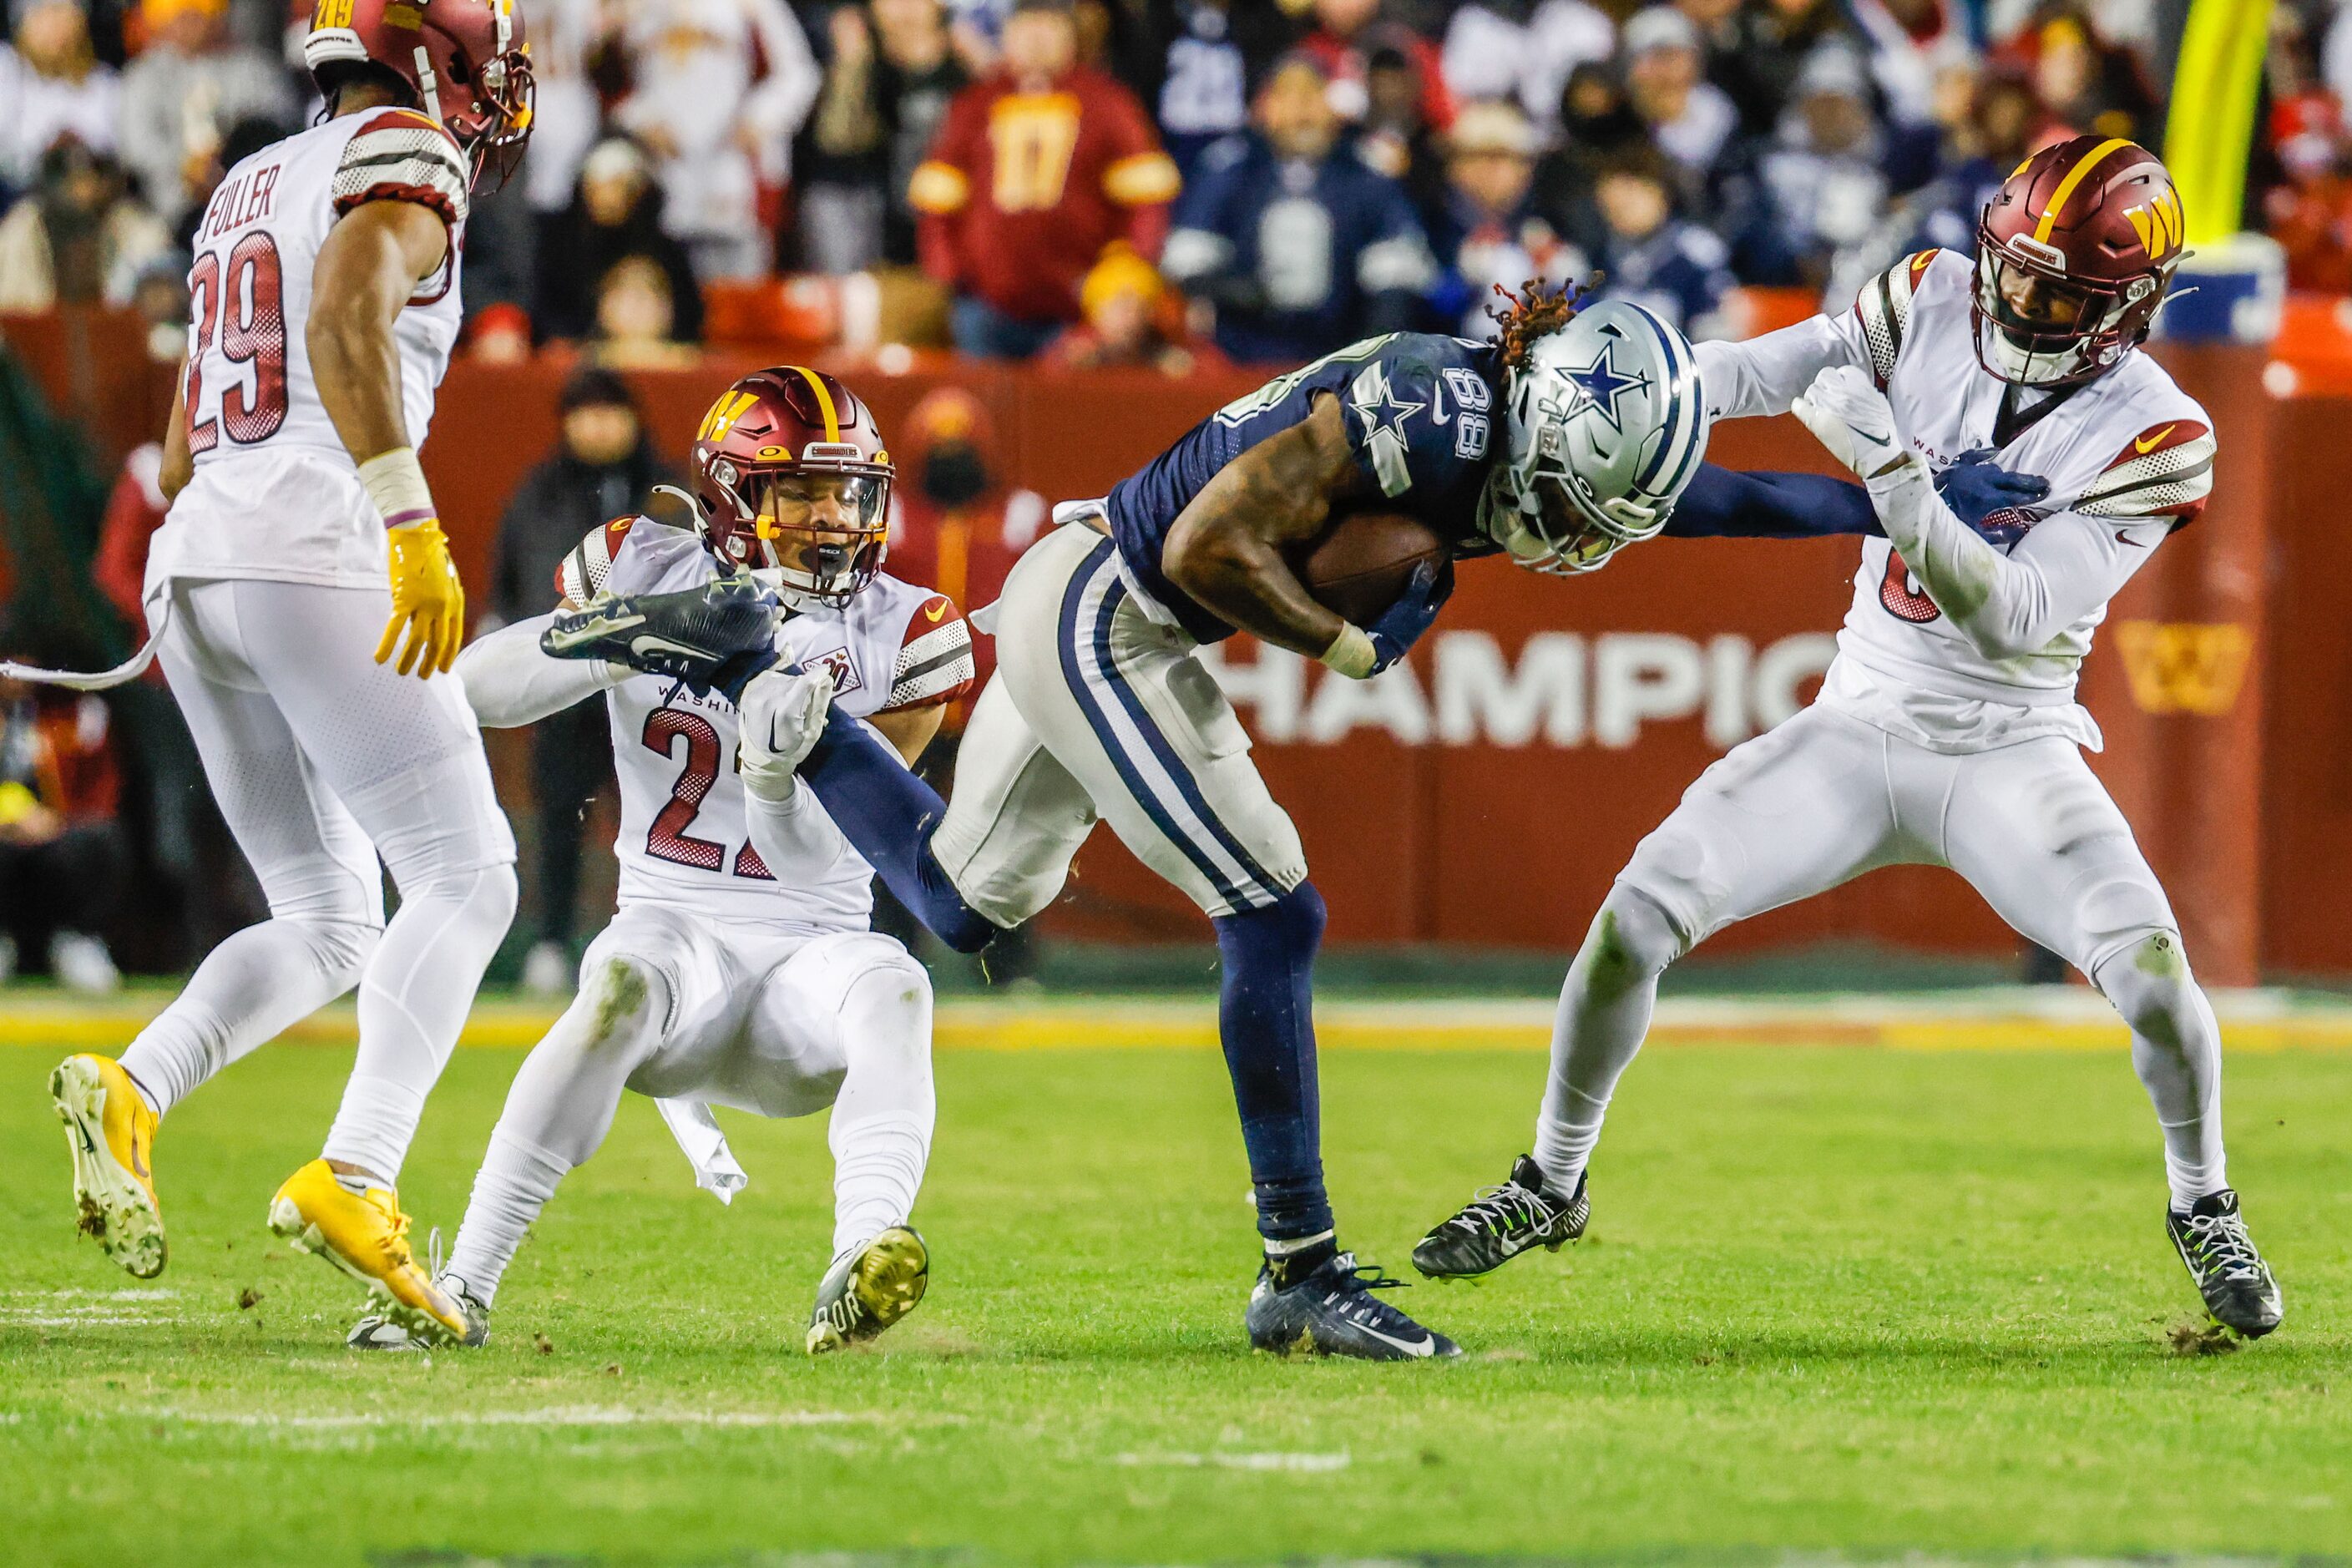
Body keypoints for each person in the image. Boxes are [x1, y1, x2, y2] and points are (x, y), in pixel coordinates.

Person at [558, 262, 2055, 1358]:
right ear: (1532, 429)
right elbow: (1212, 549)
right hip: (1115, 607)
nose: (1579, 541)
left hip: (1099, 600)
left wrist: (1902, 500)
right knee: (1276, 909)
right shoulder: (1423, 408)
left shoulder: (1534, 423)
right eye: (1576, 506)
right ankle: (1301, 1265)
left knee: (961, 904)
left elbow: (1718, 499)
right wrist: (1342, 638)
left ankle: (797, 721)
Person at [1413, 138, 2286, 1344]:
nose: (2018, 303)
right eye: (2014, 272)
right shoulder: (1931, 291)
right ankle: (1551, 1179)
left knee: (2152, 977)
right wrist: (1613, 393)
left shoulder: (2160, 428)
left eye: (2056, 292)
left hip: (2008, 747)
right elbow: (1753, 374)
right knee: (1633, 917)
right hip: (1858, 719)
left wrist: (1887, 468)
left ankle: (2205, 1201)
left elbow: (2016, 608)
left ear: (2125, 306)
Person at [39, 0, 532, 1348]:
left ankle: (134, 1085)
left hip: (201, 552)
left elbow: (190, 426)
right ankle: (358, 1170)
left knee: (328, 913)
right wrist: (410, 522)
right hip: (316, 540)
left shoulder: (257, 175)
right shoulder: (404, 152)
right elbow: (341, 322)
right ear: (435, 51)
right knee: (470, 874)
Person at [345, 367, 974, 1354]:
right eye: (803, 489)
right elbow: (475, 690)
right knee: (621, 982)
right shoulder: (640, 564)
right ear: (732, 492)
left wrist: (774, 770)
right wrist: (641, 633)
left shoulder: (904, 628)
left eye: (849, 491)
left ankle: (862, 1258)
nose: (834, 516)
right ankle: (460, 1285)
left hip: (810, 955)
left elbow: (830, 848)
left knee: (896, 986)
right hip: (673, 932)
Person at [488, 367, 682, 997]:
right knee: (559, 819)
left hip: (654, 692)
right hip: (567, 690)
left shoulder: (668, 492)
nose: (599, 426)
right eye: (586, 412)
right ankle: (551, 940)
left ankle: (668, 938)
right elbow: (512, 580)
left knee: (664, 817)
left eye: (610, 411)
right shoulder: (539, 493)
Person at [911, 0, 1180, 358]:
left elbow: (1147, 205)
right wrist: (946, 276)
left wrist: (1126, 282)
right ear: (1006, 36)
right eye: (1025, 28)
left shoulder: (1107, 104)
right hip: (984, 305)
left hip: (1078, 309)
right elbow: (938, 202)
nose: (1036, 40)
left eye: (1049, 27)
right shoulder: (974, 105)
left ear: (1072, 37)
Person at [1159, 53, 1435, 364]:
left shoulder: (1363, 174)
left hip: (1337, 355)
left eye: (1311, 95)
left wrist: (1367, 356)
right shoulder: (1232, 169)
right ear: (1266, 107)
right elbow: (1187, 260)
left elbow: (1398, 274)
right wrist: (1240, 291)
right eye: (1287, 96)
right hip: (1242, 357)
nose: (1301, 112)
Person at [609, 0, 819, 281]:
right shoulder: (638, 8)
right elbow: (606, 76)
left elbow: (799, 74)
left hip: (735, 177)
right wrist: (642, 120)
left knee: (740, 298)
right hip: (662, 178)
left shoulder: (754, 6)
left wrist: (758, 119)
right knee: (669, 290)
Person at [798, 0, 969, 271]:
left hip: (952, 216)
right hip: (881, 219)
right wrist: (853, 67)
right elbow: (837, 137)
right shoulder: (866, 63)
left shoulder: (963, 64)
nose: (905, 9)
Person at [0, 653, 126, 993]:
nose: (13, 674)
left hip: (57, 828)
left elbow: (96, 789)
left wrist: (51, 819)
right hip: (4, 834)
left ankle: (77, 940)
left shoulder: (70, 713)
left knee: (100, 838)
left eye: (22, 662)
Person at [114, 0, 294, 228]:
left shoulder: (252, 66)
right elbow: (137, 148)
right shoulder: (144, 75)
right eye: (177, 15)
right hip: (166, 211)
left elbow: (278, 126)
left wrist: (227, 159)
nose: (188, 23)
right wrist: (186, 165)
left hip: (249, 200)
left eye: (197, 13)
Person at [1427, 100, 1585, 338]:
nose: (1491, 171)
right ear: (1454, 165)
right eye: (1478, 156)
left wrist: (1560, 280)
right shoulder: (1433, 221)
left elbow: (1585, 311)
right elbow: (1417, 306)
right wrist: (1462, 280)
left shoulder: (1551, 221)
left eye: (1505, 158)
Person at [534, 138, 707, 346]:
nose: (606, 197)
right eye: (597, 187)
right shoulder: (561, 249)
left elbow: (688, 320)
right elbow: (550, 316)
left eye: (616, 185)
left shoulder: (666, 252)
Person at [0, 137, 172, 310]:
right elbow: (12, 308)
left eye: (90, 177)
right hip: (40, 329)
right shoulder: (23, 226)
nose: (83, 189)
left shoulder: (129, 222)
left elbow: (158, 265)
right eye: (74, 180)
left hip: (110, 326)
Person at [1044, 243, 1227, 373]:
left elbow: (1217, 375)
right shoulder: (1072, 349)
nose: (1129, 317)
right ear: (1096, 311)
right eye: (1119, 306)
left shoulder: (1172, 347)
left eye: (1139, 307)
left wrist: (1185, 369)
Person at [0, 0, 122, 194]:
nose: (55, 26)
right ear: (22, 25)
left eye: (64, 14)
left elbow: (117, 157)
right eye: (43, 14)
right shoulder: (7, 71)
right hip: (21, 197)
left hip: (95, 201)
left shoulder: (106, 84)